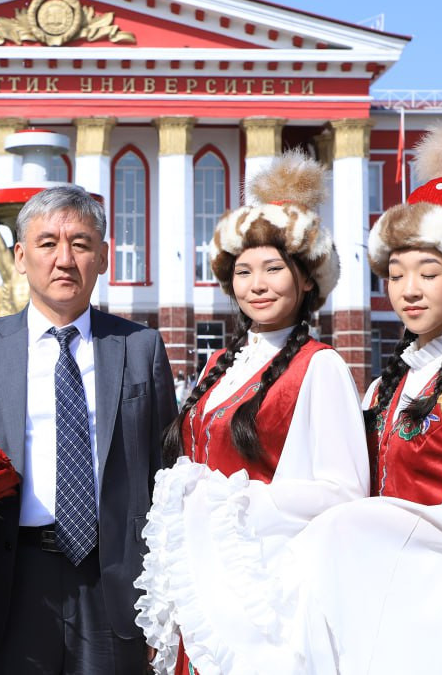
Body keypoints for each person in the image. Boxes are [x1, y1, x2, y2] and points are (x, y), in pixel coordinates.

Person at [288, 124, 442, 673]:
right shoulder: (384, 387)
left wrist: (368, 522)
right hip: (380, 595)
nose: (408, 290)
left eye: (428, 273)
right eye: (396, 274)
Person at [133, 152, 369, 675]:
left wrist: (234, 501)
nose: (256, 285)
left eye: (273, 269)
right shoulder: (218, 364)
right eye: (243, 271)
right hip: (201, 585)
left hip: (265, 594)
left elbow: (345, 493)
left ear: (307, 280)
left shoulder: (320, 365)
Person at [0, 185, 178, 675]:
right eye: (47, 244)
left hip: (116, 583)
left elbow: (166, 479)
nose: (64, 259)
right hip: (8, 581)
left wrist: (167, 604)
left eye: (80, 244)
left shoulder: (141, 348)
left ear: (102, 257)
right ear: (21, 257)